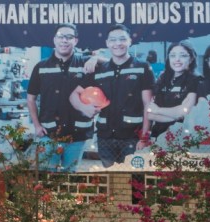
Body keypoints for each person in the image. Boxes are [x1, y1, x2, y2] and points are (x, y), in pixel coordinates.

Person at [71, 24, 154, 167]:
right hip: (105, 137)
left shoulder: (142, 68)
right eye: (113, 40)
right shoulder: (100, 70)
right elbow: (74, 93)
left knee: (136, 182)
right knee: (112, 180)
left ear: (130, 41)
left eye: (122, 39)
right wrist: (84, 108)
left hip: (133, 138)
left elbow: (148, 104)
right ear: (107, 44)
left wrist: (144, 137)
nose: (117, 43)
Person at [25, 23, 94, 172]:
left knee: (70, 176)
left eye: (69, 37)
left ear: (75, 41)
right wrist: (37, 125)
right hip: (48, 134)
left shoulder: (85, 63)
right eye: (61, 36)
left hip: (77, 136)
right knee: (48, 177)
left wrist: (95, 59)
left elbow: (112, 63)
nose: (64, 40)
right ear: (54, 40)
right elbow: (30, 99)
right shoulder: (41, 67)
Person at [146, 41, 202, 139]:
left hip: (182, 138)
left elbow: (185, 112)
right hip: (158, 137)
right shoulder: (163, 79)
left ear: (191, 58)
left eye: (183, 55)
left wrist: (158, 110)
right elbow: (150, 114)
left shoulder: (196, 80)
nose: (177, 59)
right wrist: (176, 115)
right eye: (173, 55)